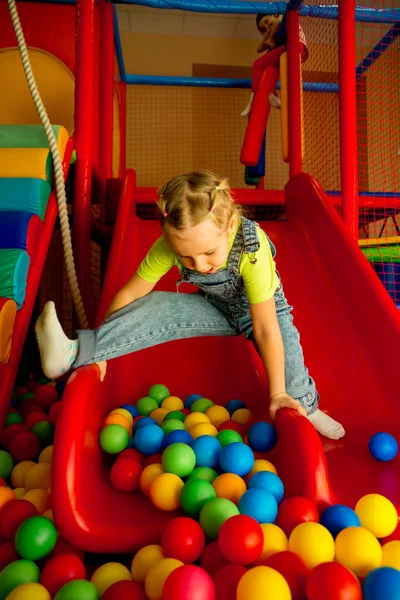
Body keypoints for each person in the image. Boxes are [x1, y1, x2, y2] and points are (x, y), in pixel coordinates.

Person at [35, 171, 344, 440]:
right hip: (215, 307)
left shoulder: (252, 247)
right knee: (154, 303)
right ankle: (75, 352)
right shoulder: (168, 246)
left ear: (231, 223)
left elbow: (265, 327)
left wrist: (278, 394)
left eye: (209, 252)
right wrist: (105, 345)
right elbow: (130, 295)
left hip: (263, 310)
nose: (199, 264)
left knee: (290, 368)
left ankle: (309, 406)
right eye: (186, 257)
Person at [241, 13, 309, 116]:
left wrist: (271, 38)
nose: (267, 26)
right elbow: (258, 49)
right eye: (264, 28)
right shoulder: (276, 28)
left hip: (295, 46)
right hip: (299, 50)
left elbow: (276, 21)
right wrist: (267, 36)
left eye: (267, 22)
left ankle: (253, 100)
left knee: (257, 64)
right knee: (275, 67)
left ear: (275, 14)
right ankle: (273, 96)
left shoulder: (282, 18)